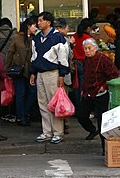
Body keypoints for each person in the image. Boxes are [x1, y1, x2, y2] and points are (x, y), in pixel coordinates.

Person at [30, 11, 69, 144]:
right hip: (40, 73)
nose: (38, 23)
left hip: (53, 73)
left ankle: (58, 132)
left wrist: (62, 74)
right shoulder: (37, 38)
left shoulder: (58, 37)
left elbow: (63, 57)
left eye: (41, 20)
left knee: (54, 104)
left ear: (48, 22)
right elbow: (33, 56)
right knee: (43, 103)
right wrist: (32, 72)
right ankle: (47, 131)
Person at [77, 38, 120, 148]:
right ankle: (92, 130)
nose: (87, 51)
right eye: (85, 49)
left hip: (100, 94)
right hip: (88, 93)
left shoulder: (103, 59)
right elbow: (86, 77)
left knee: (102, 122)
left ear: (95, 48)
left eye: (89, 48)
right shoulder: (86, 60)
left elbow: (115, 74)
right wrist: (84, 89)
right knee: (81, 115)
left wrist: (104, 86)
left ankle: (104, 148)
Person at [5, 18, 37, 126]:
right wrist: (6, 69)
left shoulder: (35, 38)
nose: (36, 28)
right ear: (28, 26)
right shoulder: (16, 37)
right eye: (34, 25)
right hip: (18, 70)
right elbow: (10, 53)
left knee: (32, 92)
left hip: (31, 70)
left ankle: (25, 112)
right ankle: (20, 116)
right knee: (20, 94)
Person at [71, 18, 95, 112]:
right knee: (84, 87)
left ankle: (78, 107)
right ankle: (83, 109)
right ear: (88, 28)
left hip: (75, 64)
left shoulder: (74, 36)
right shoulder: (88, 39)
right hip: (85, 64)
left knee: (77, 87)